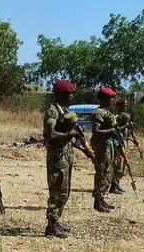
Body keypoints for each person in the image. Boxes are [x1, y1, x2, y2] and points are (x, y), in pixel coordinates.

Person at [43, 81, 94, 237]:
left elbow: (74, 138)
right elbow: (50, 135)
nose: (72, 96)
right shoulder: (53, 112)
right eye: (70, 93)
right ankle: (51, 226)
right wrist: (68, 135)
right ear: (62, 95)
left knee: (64, 192)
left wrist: (86, 150)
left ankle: (56, 221)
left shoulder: (64, 111)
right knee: (56, 192)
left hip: (66, 157)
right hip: (57, 158)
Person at [91, 86, 122, 212]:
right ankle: (98, 201)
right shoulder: (99, 113)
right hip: (101, 147)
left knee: (108, 172)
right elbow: (96, 131)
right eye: (110, 98)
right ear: (103, 98)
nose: (112, 100)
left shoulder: (108, 113)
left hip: (108, 146)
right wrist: (111, 131)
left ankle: (101, 198)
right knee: (102, 173)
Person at [111, 98, 131, 194]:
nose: (125, 107)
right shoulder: (118, 117)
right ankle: (114, 185)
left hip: (125, 141)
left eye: (126, 105)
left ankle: (117, 183)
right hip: (118, 141)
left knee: (122, 164)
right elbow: (116, 129)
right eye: (124, 105)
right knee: (118, 163)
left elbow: (129, 131)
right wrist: (125, 125)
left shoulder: (126, 115)